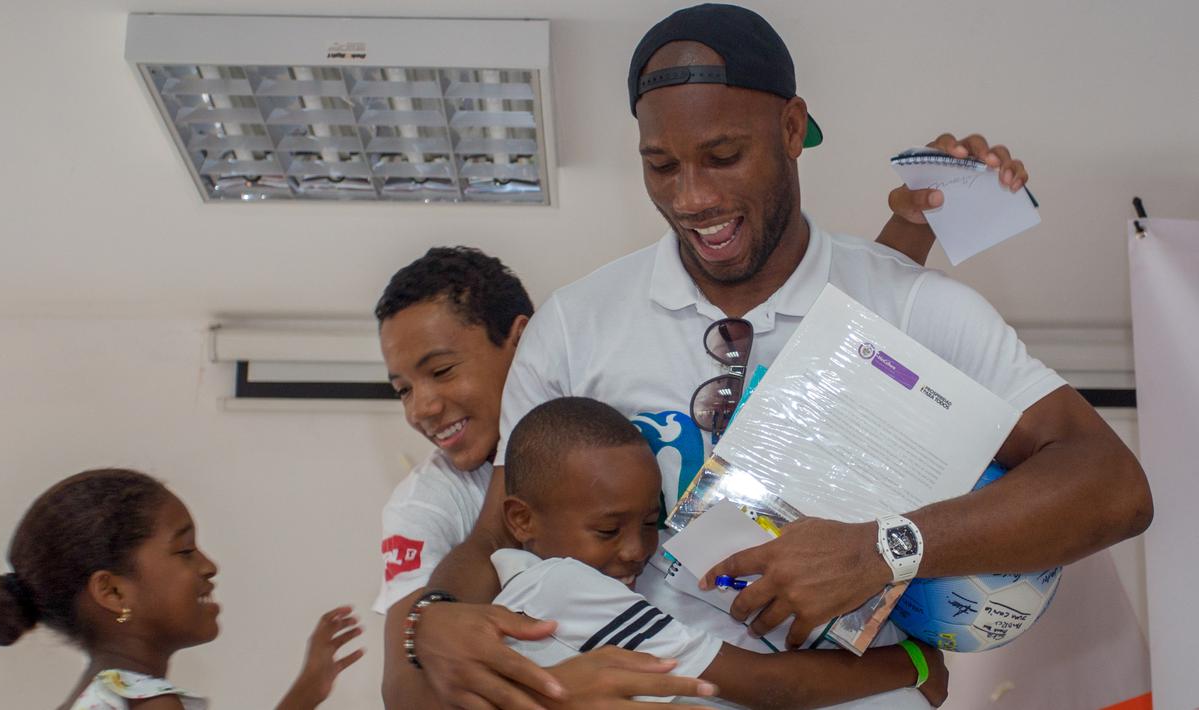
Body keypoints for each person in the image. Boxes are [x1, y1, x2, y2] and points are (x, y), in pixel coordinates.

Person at [402, 4, 1153, 710]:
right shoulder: (575, 325)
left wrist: (883, 549)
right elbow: (497, 537)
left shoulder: (915, 307)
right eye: (660, 165)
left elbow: (1112, 486)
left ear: (792, 128)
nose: (691, 197)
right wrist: (430, 618)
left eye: (723, 156)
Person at [494, 396, 949, 709]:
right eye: (608, 530)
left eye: (650, 522)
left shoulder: (543, 597)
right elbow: (768, 686)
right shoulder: (556, 589)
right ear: (521, 520)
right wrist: (915, 662)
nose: (636, 550)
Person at [0, 468, 363, 710]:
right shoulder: (148, 703)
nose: (209, 566)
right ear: (113, 592)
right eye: (185, 551)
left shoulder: (103, 696)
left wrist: (307, 691)